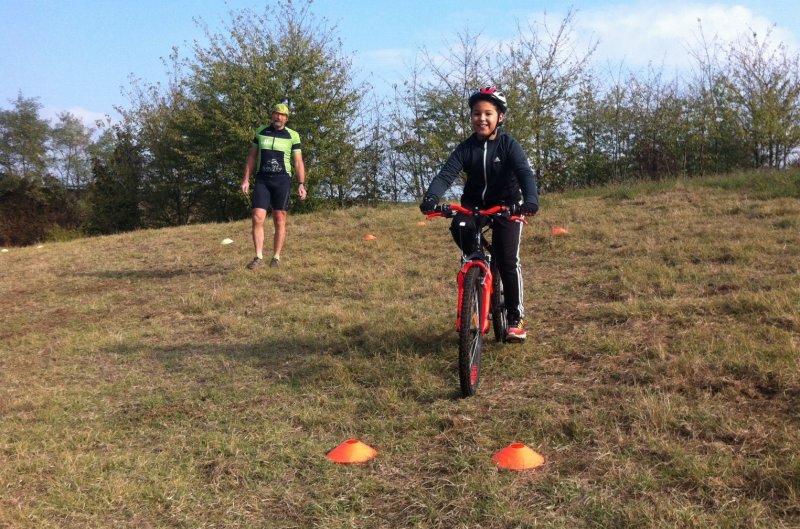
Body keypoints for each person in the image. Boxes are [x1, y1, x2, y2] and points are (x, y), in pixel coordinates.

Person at [420, 86, 539, 342]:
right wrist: (431, 197)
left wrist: (530, 200)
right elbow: (446, 174)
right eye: (476, 113)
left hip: (506, 206)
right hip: (474, 206)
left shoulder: (508, 145)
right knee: (460, 227)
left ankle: (515, 318)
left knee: (507, 260)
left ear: (500, 117)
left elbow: (525, 174)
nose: (481, 118)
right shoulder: (466, 148)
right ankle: (477, 270)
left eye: (488, 113)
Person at [241, 103, 307, 269]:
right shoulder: (260, 131)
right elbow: (251, 157)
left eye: (282, 115)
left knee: (279, 219)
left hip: (282, 180)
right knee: (257, 217)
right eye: (276, 114)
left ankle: (276, 257)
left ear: (286, 118)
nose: (278, 117)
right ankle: (258, 256)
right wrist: (246, 179)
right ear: (272, 115)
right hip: (263, 179)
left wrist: (301, 184)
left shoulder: (293, 136)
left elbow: (298, 162)